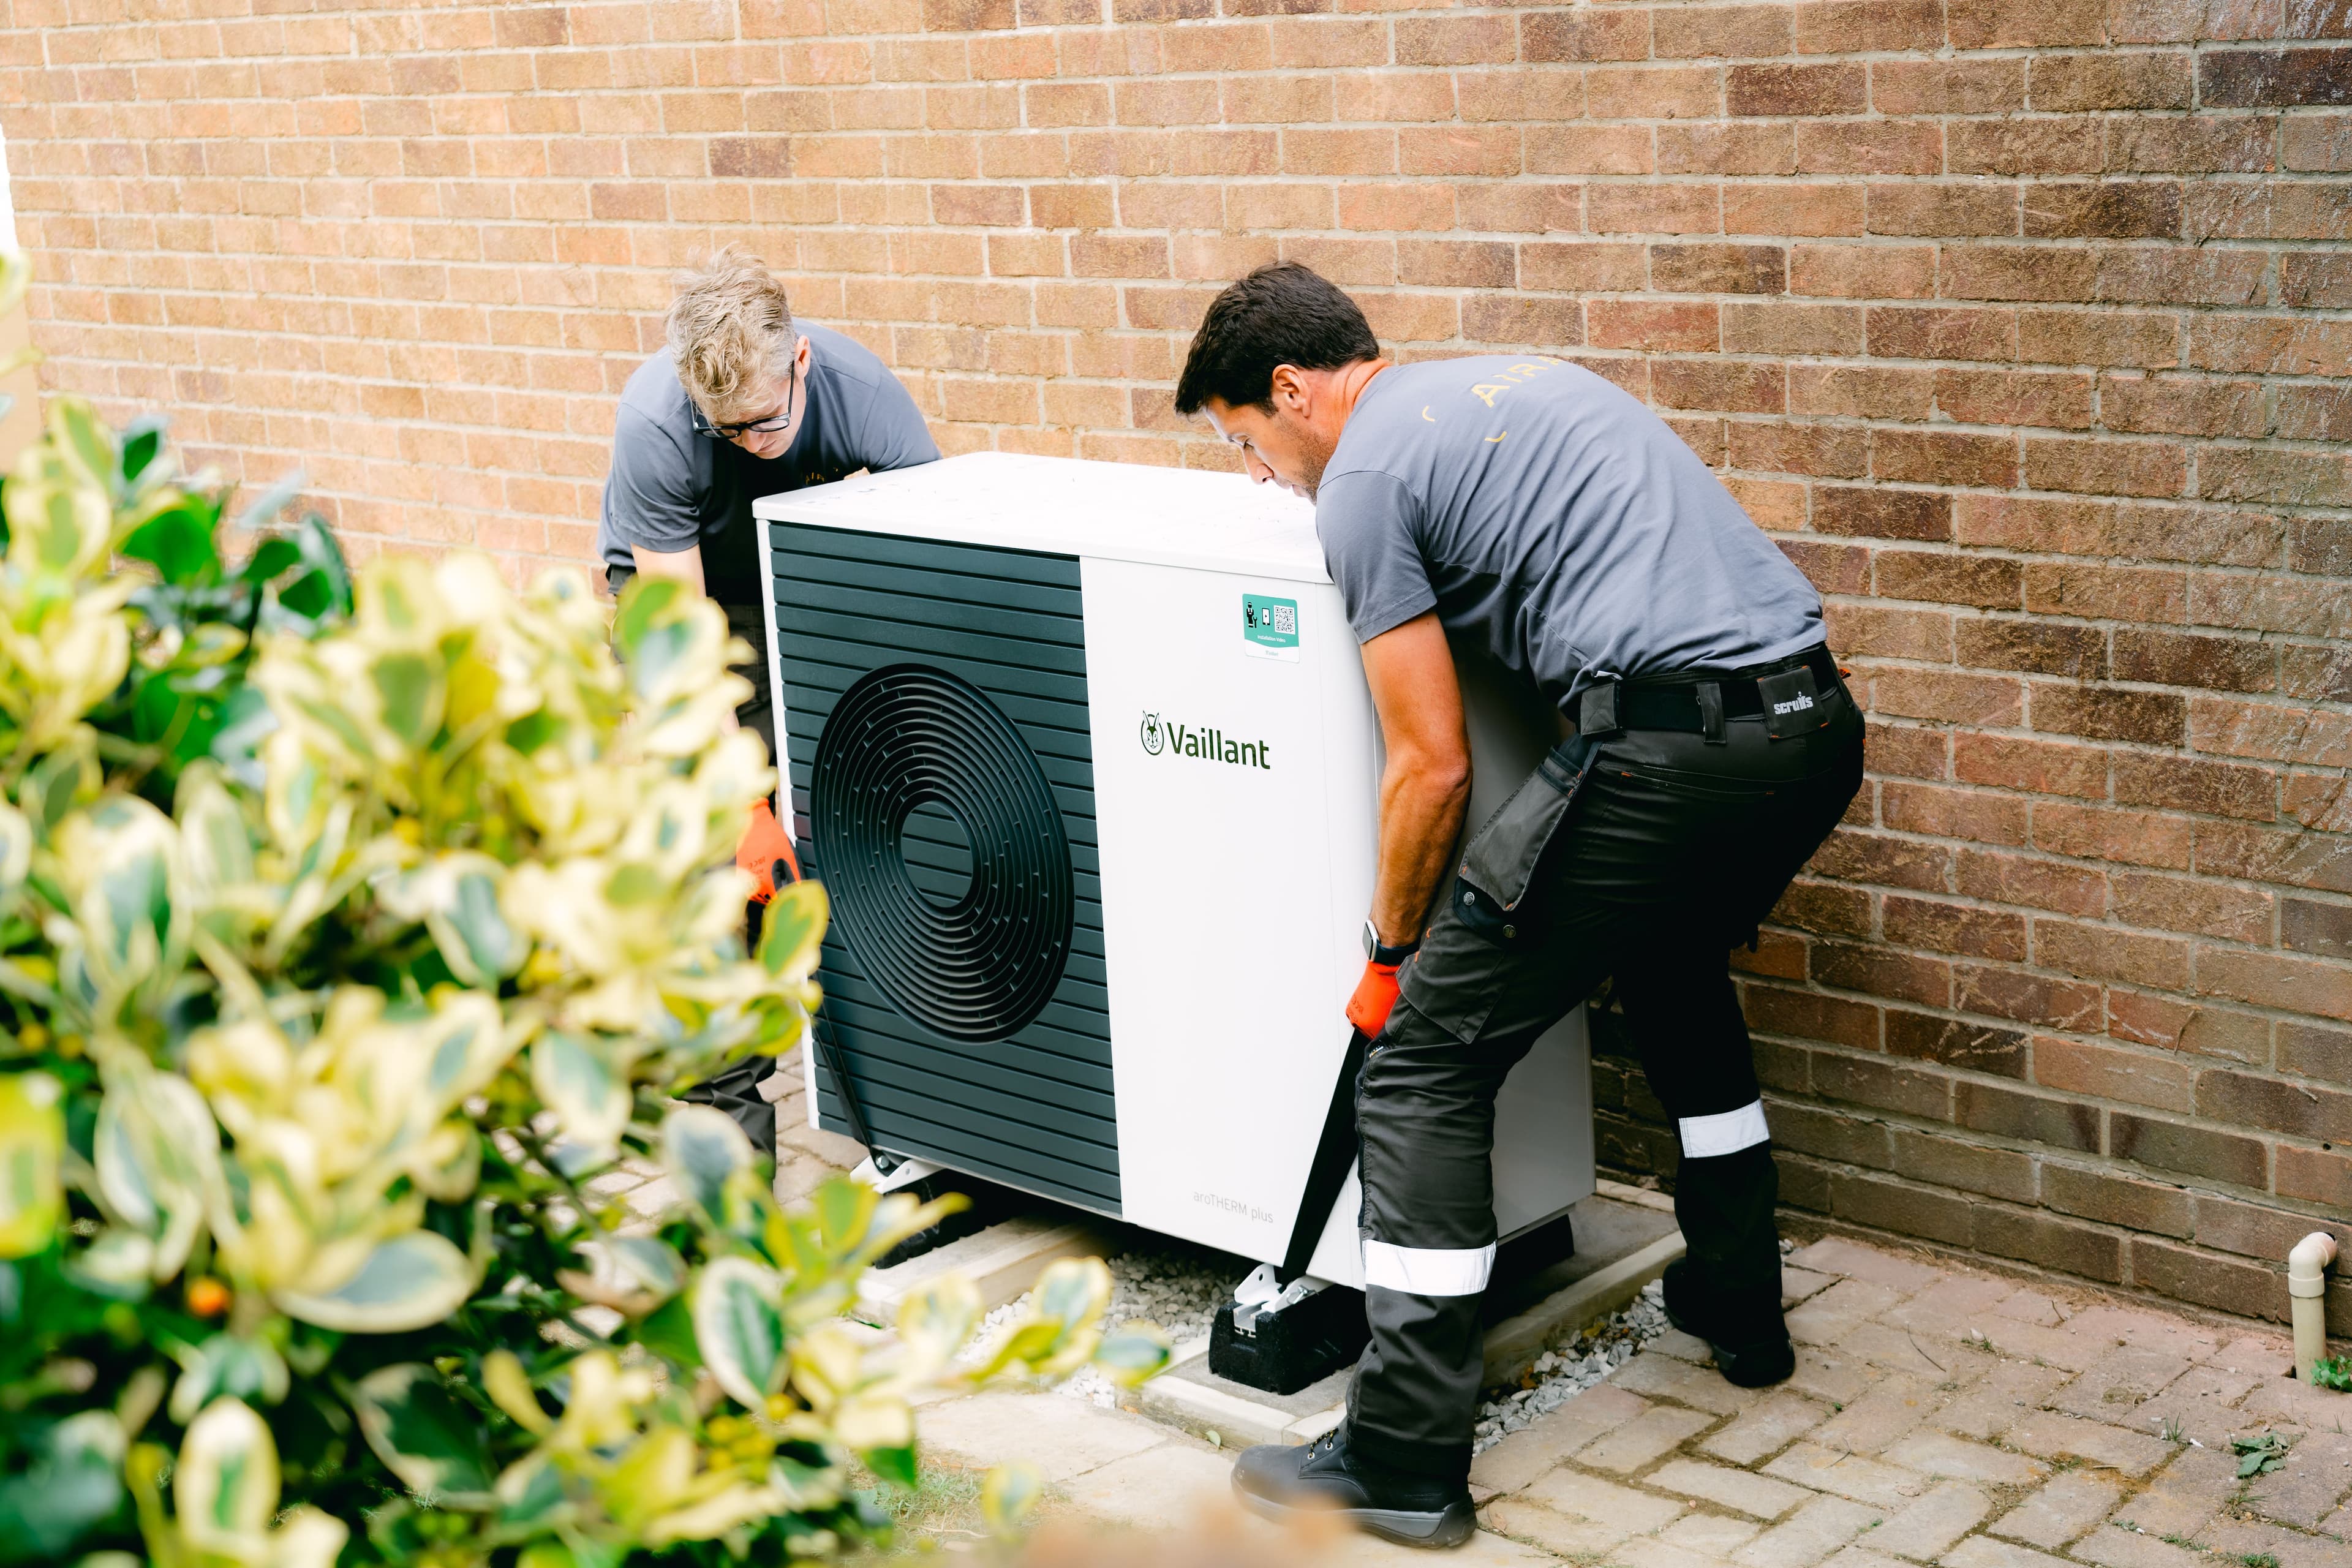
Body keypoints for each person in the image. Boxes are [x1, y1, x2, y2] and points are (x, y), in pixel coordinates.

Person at [1175, 263, 1863, 1549]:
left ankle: (1401, 1455)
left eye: (1248, 444)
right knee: (1672, 968)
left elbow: (1431, 762)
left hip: (1671, 750)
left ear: (1291, 390)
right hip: (1810, 728)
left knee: (1423, 1063)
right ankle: (1738, 1302)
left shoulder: (1367, 478)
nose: (1262, 474)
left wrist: (1390, 947)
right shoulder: (1512, 386)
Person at [599, 249, 940, 1156]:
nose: (749, 444)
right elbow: (683, 640)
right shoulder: (658, 424)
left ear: (800, 365)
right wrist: (743, 801)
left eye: (763, 422)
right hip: (691, 600)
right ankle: (730, 1127)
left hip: (808, 578)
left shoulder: (864, 395)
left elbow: (930, 559)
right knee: (724, 862)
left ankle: (919, 1092)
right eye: (728, 432)